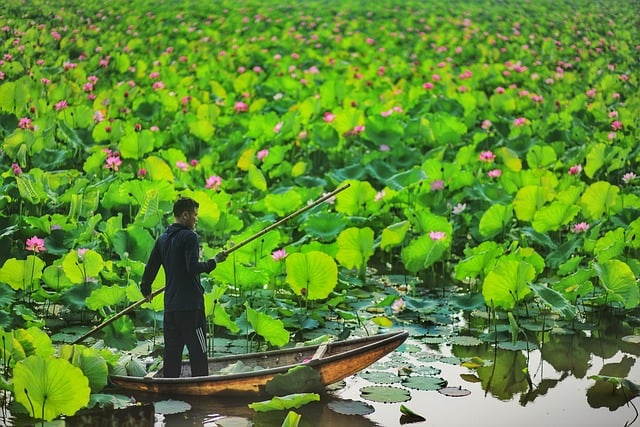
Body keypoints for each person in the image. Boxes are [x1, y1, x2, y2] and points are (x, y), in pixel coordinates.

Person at [141, 197, 226, 377]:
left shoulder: (163, 238)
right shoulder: (189, 236)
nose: (196, 219)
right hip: (191, 307)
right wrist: (214, 261)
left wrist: (145, 289)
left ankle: (170, 390)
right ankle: (201, 389)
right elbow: (192, 268)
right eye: (195, 215)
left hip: (171, 307)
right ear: (185, 215)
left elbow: (151, 267)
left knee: (172, 355)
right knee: (199, 354)